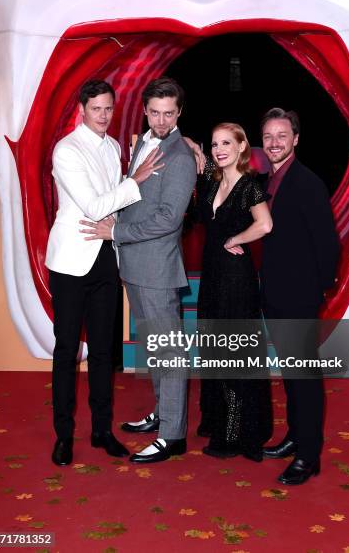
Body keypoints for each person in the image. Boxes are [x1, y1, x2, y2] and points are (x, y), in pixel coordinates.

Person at [80, 77, 198, 463]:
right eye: (155, 113)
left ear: (179, 113)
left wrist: (117, 230)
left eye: (169, 114)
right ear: (145, 111)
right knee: (156, 349)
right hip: (133, 264)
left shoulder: (180, 156)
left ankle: (173, 435)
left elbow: (168, 219)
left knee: (170, 352)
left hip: (157, 268)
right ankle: (164, 414)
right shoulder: (143, 143)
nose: (161, 121)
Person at [46, 79, 163, 466]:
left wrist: (193, 148)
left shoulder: (114, 147)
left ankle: (101, 430)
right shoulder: (66, 150)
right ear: (82, 109)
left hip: (105, 258)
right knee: (66, 352)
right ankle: (63, 435)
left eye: (108, 109)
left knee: (102, 352)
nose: (103, 116)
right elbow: (95, 205)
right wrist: (135, 182)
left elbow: (114, 205)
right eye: (96, 108)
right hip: (69, 262)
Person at [260, 107, 339, 485]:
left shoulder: (307, 183)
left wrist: (316, 292)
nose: (275, 143)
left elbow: (328, 243)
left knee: (304, 376)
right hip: (275, 292)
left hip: (299, 296)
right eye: (269, 137)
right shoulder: (269, 180)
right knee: (290, 374)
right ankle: (294, 436)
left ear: (295, 139)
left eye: (282, 136)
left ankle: (309, 455)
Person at [195, 122, 273, 461]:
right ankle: (217, 419)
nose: (219, 148)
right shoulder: (213, 182)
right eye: (214, 144)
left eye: (227, 142)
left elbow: (266, 224)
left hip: (235, 281)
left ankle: (236, 433)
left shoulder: (249, 186)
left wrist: (236, 239)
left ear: (242, 146)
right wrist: (194, 146)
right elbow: (196, 153)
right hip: (212, 276)